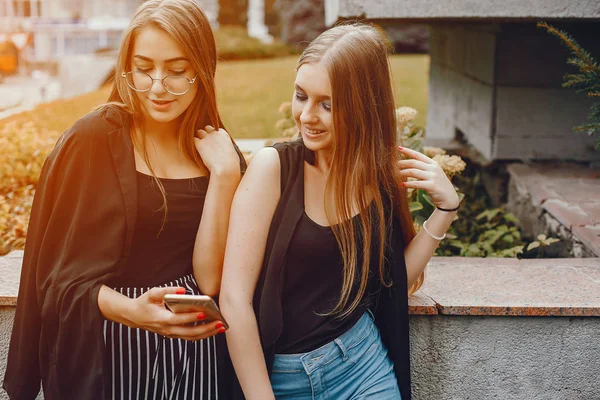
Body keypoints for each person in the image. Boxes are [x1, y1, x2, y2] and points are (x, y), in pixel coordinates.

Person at [3, 1, 245, 399]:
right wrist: (134, 312)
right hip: (111, 349)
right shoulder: (94, 139)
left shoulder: (217, 150)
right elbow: (56, 276)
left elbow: (211, 279)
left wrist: (224, 176)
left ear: (203, 70)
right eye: (144, 68)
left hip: (196, 354)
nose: (157, 87)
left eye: (177, 71)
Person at [220, 23, 460, 400]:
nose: (307, 116)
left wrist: (445, 209)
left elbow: (391, 281)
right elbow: (234, 298)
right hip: (282, 381)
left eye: (327, 104)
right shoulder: (274, 169)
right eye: (302, 96)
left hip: (362, 369)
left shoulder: (377, 176)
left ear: (364, 106)